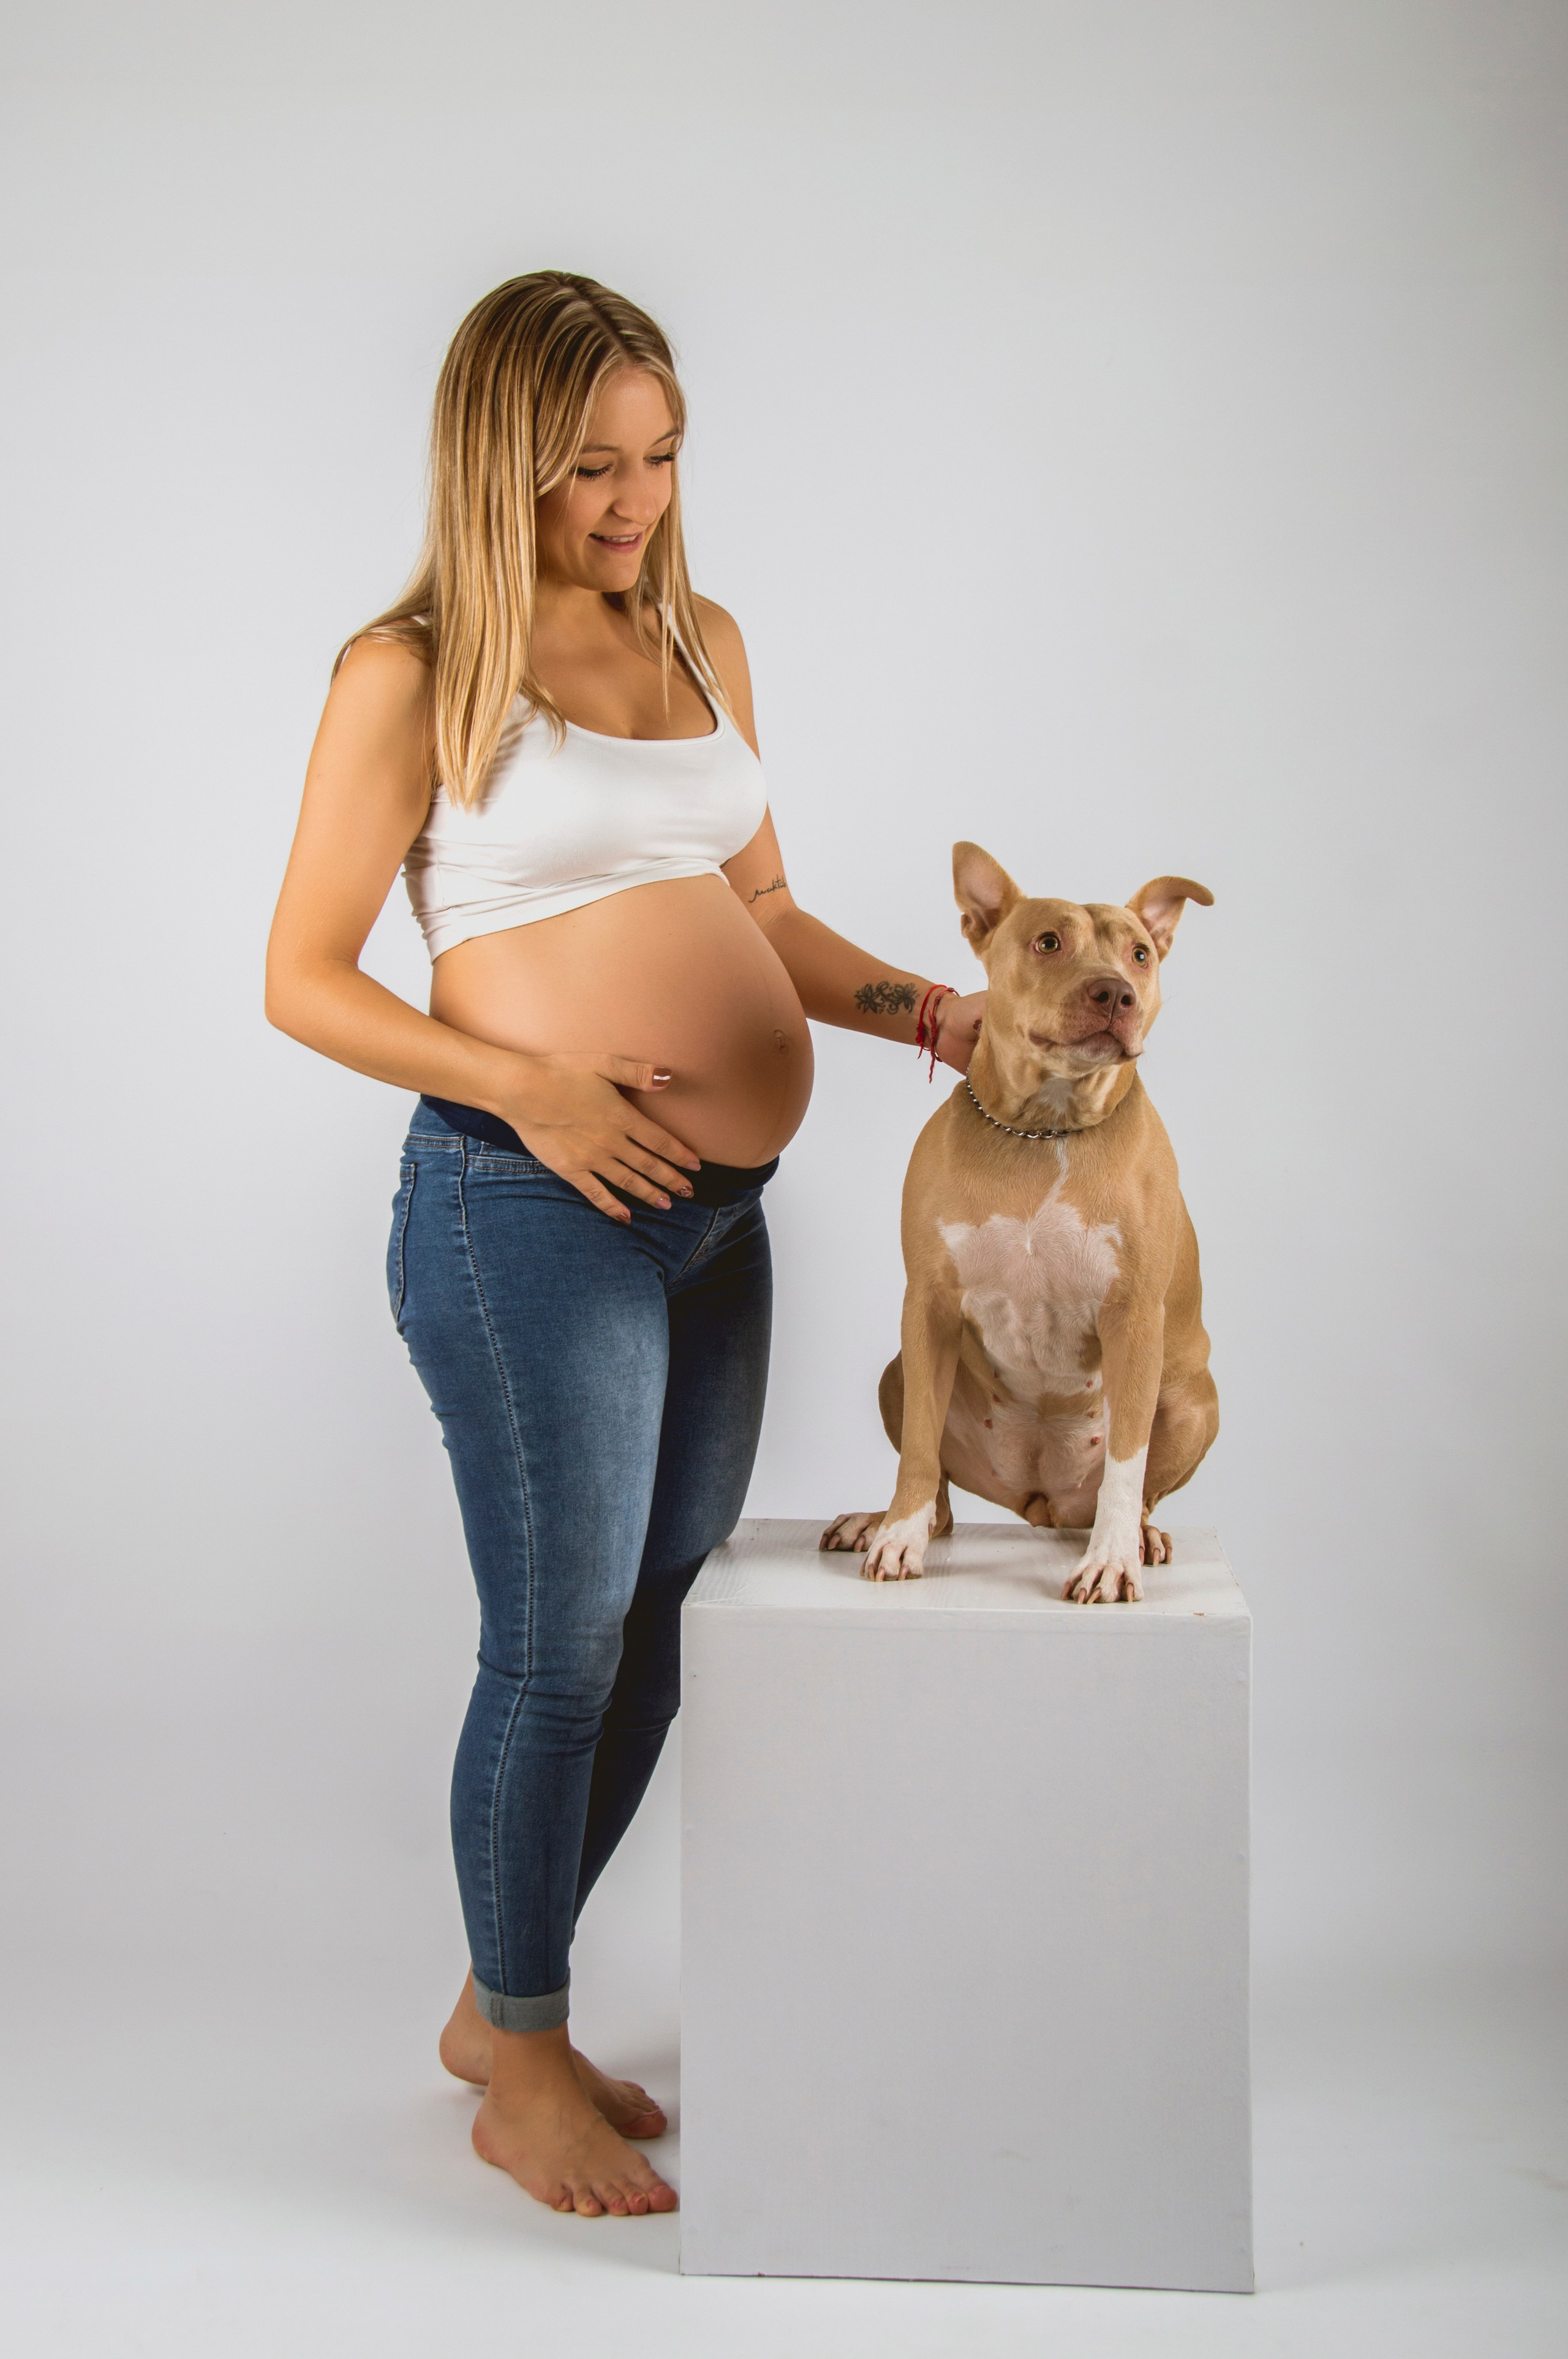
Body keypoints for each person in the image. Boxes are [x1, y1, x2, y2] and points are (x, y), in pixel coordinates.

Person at [265, 271, 981, 2220]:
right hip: (524, 1212)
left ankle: (499, 2009)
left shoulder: (701, 637)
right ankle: (525, 2056)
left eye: (660, 458)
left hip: (712, 1225)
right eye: (591, 467)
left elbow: (766, 907)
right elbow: (303, 979)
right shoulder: (410, 671)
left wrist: (935, 1012)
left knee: (666, 1630)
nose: (634, 501)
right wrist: (536, 1089)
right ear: (502, 459)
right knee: (558, 1650)